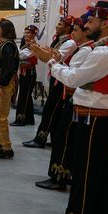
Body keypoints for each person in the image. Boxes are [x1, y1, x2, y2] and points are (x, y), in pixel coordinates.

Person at [46, 2, 108, 214]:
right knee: (100, 175)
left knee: (87, 173)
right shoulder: (105, 51)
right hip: (97, 120)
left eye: (90, 21)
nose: (86, 25)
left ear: (105, 23)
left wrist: (52, 63)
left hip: (96, 121)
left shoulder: (105, 53)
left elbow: (73, 79)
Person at [33, 15, 94, 192]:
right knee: (63, 135)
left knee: (64, 137)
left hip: (74, 98)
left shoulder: (84, 50)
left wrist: (52, 61)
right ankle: (61, 175)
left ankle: (59, 176)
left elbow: (72, 77)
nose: (72, 33)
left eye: (76, 30)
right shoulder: (82, 48)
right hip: (73, 96)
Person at [23, 16, 77, 148]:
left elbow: (55, 58)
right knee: (53, 110)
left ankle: (40, 138)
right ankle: (54, 139)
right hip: (56, 77)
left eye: (60, 24)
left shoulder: (70, 43)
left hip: (62, 81)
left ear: (68, 27)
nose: (57, 26)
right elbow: (50, 57)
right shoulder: (59, 40)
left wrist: (38, 50)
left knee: (50, 109)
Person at [0, 19, 19, 159]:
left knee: (0, 116)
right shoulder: (3, 45)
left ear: (5, 29)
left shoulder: (8, 46)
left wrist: (1, 84)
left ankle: (7, 147)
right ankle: (1, 141)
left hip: (3, 85)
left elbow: (9, 68)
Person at [11, 25, 39, 127]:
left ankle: (20, 119)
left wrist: (16, 53)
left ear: (34, 34)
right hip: (23, 71)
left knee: (23, 96)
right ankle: (30, 119)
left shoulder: (34, 45)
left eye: (29, 33)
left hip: (29, 73)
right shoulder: (26, 44)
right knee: (27, 96)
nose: (26, 34)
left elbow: (21, 55)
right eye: (25, 32)